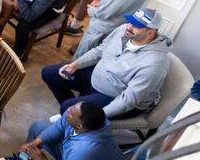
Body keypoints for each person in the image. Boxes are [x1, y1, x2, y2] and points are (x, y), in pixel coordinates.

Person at [42, 7, 172, 118]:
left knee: (68, 108)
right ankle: (71, 116)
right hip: (99, 77)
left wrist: (98, 115)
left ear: (150, 32)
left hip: (115, 96)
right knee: (49, 73)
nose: (129, 27)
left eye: (136, 26)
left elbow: (128, 101)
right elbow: (101, 50)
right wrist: (75, 65)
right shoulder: (124, 30)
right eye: (130, 21)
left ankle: (74, 117)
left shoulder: (154, 64)